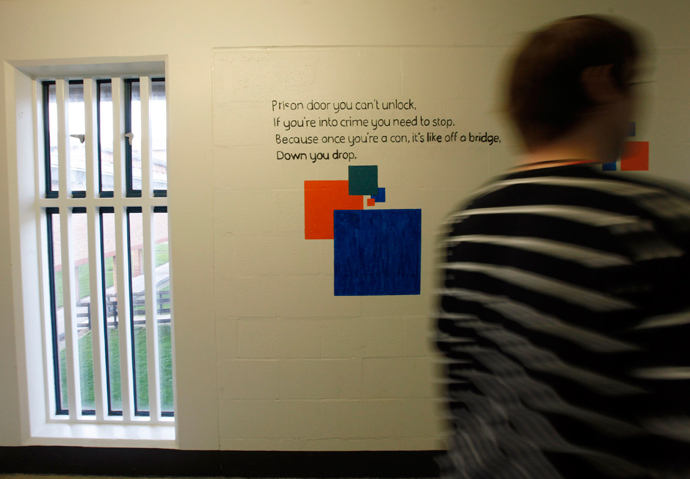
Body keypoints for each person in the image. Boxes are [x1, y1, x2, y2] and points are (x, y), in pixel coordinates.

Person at [435, 15, 690, 479]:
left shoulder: (467, 223)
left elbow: (460, 389)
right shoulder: (651, 218)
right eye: (633, 81)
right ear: (603, 82)